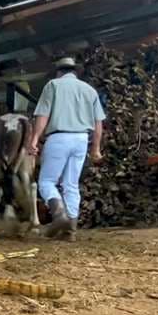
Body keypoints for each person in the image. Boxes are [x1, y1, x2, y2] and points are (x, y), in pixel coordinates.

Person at [28, 57, 105, 241]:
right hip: (81, 139)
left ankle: (59, 215)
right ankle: (70, 230)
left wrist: (34, 139)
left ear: (59, 72)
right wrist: (96, 148)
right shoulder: (89, 90)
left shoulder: (53, 85)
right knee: (70, 184)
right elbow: (98, 123)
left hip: (59, 137)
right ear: (74, 72)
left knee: (47, 182)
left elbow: (43, 115)